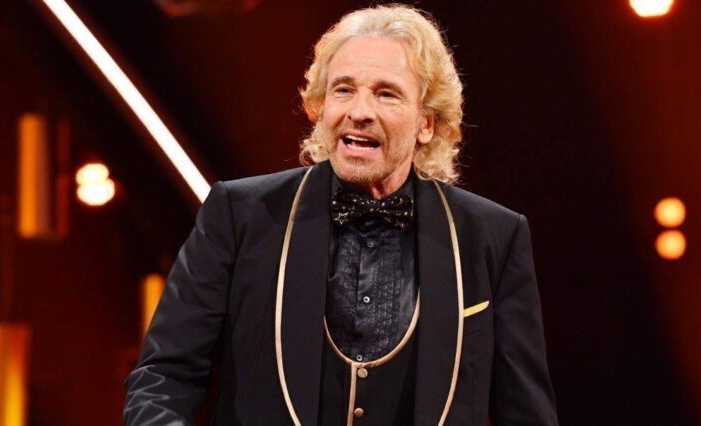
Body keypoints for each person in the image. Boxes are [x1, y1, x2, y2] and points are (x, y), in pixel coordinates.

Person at [124, 4, 558, 425]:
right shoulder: (239, 215)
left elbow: (527, 414)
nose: (359, 112)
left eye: (386, 94)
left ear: (426, 123)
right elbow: (162, 381)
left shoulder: (492, 237)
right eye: (343, 90)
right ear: (319, 106)